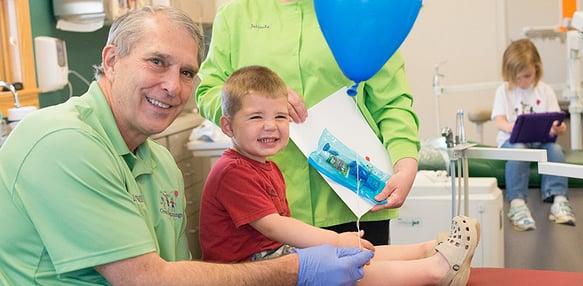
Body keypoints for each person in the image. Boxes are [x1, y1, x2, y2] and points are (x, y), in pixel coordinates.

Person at [0, 6, 373, 285]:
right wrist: (298, 269)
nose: (172, 87)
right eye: (157, 62)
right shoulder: (63, 142)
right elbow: (148, 279)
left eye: (187, 73)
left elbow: (177, 272)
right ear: (112, 60)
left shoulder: (160, 164)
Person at [200, 65, 480, 286]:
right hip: (245, 272)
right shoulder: (232, 172)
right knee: (338, 267)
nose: (271, 126)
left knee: (348, 251)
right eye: (256, 117)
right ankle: (437, 270)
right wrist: (334, 241)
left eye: (281, 117)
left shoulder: (266, 166)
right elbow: (275, 227)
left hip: (269, 258)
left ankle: (430, 249)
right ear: (227, 126)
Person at [196, 0, 420, 246]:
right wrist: (262, 100)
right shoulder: (236, 14)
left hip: (357, 195)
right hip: (273, 207)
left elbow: (392, 101)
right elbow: (208, 92)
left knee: (371, 275)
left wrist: (406, 164)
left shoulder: (359, 9)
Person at [491, 38, 575, 231]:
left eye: (527, 76)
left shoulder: (545, 91)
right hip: (512, 142)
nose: (522, 82)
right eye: (517, 78)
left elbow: (555, 121)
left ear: (536, 69)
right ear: (508, 74)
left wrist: (558, 128)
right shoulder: (503, 91)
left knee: (555, 150)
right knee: (520, 150)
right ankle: (517, 204)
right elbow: (499, 121)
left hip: (540, 142)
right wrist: (517, 128)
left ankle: (559, 200)